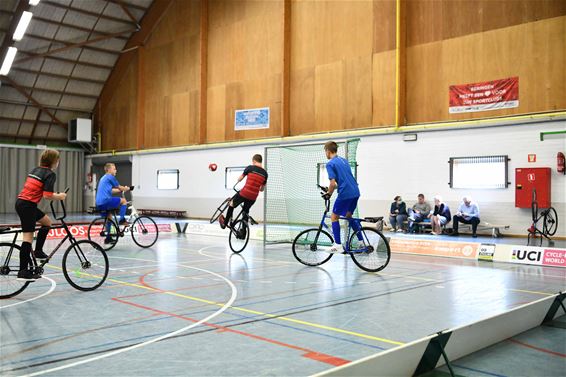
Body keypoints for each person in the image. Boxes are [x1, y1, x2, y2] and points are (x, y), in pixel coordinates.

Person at [15, 149, 67, 281]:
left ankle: (38, 251)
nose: (58, 162)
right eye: (58, 159)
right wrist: (60, 196)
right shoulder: (50, 174)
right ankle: (23, 271)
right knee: (27, 238)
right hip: (27, 206)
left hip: (23, 203)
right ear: (54, 161)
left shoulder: (35, 170)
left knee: (47, 222)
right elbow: (47, 195)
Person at [321, 141, 362, 253]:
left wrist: (329, 194)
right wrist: (329, 190)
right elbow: (344, 180)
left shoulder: (330, 164)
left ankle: (338, 245)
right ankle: (361, 241)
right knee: (349, 216)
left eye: (325, 151)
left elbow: (333, 183)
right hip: (355, 192)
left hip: (345, 193)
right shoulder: (344, 161)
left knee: (334, 217)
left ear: (328, 151)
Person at [219, 154, 267, 229]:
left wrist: (239, 179)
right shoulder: (265, 174)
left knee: (231, 204)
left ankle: (225, 224)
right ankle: (243, 232)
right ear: (261, 161)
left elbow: (239, 179)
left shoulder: (250, 168)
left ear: (254, 160)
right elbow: (261, 189)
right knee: (245, 212)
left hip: (244, 193)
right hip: (253, 197)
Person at [95, 163, 130, 243]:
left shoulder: (103, 178)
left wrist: (121, 189)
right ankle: (122, 219)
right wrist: (126, 188)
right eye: (114, 169)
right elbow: (119, 187)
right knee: (124, 201)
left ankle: (108, 238)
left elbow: (111, 191)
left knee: (109, 218)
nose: (116, 170)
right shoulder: (110, 177)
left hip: (99, 203)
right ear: (109, 170)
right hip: (105, 201)